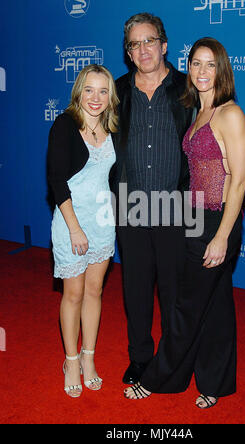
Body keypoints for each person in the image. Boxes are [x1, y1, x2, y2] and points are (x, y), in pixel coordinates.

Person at [124, 37, 245, 409]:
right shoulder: (199, 112)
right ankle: (217, 382)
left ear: (222, 70)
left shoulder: (230, 114)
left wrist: (223, 236)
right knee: (216, 306)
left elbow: (239, 180)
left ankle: (162, 378)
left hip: (216, 221)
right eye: (196, 63)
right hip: (195, 216)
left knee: (185, 309)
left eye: (210, 65)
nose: (201, 71)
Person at [109, 13, 194, 385]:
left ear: (163, 45)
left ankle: (173, 359)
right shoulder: (118, 89)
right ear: (128, 52)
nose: (142, 49)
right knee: (136, 290)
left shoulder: (187, 88)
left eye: (148, 41)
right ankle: (140, 358)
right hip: (130, 205)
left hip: (174, 206)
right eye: (134, 44)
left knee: (175, 293)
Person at [47, 64, 119, 398]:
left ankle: (89, 357)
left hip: (103, 222)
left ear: (110, 96)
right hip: (71, 222)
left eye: (103, 91)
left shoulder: (113, 127)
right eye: (89, 90)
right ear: (79, 91)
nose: (95, 97)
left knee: (95, 292)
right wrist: (75, 229)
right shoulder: (64, 124)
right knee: (72, 294)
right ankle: (71, 360)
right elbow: (56, 180)